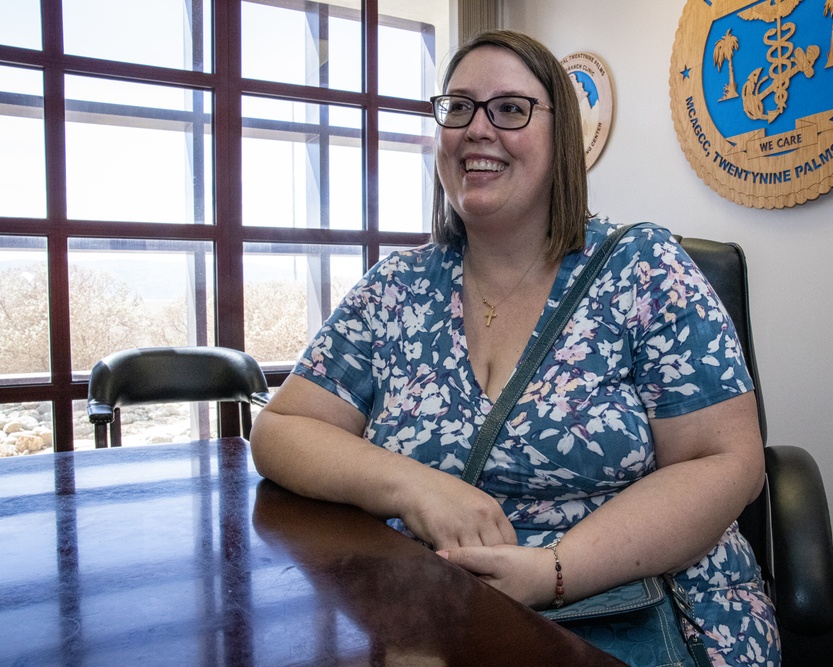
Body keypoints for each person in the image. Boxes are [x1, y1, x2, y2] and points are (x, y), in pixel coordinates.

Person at [250, 29, 780, 667]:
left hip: (628, 605)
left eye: (509, 109)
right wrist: (415, 487)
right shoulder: (396, 287)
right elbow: (282, 429)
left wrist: (554, 570)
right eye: (459, 108)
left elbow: (727, 462)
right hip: (439, 613)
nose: (477, 129)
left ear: (562, 140)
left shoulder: (645, 268)